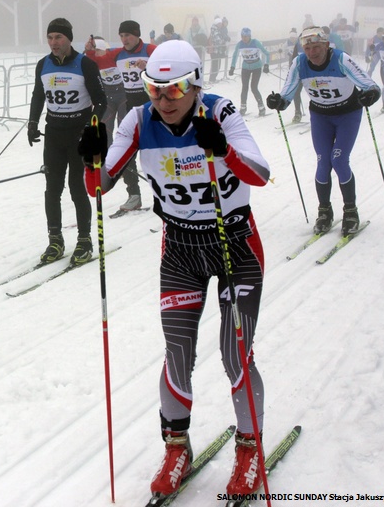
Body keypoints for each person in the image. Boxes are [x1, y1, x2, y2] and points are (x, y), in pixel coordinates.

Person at [77, 39, 271, 498]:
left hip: (234, 246)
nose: (162, 100)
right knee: (177, 352)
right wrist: (91, 157)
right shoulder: (139, 119)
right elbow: (99, 187)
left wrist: (222, 149)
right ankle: (176, 445)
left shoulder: (220, 114)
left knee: (234, 354)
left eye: (174, 89)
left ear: (196, 84)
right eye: (153, 88)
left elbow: (261, 173)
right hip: (181, 249)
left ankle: (249, 449)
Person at [267, 27, 381, 236]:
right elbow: (288, 91)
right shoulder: (300, 63)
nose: (312, 52)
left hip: (347, 114)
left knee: (338, 160)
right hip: (321, 117)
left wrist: (371, 94)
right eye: (308, 48)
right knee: (323, 162)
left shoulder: (340, 59)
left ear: (326, 45)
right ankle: (324, 211)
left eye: (316, 47)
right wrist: (279, 102)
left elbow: (368, 84)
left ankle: (350, 211)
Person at [27, 17, 108, 265]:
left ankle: (84, 240)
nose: (53, 42)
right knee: (52, 189)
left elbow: (101, 102)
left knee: (76, 188)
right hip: (54, 134)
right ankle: (55, 239)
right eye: (50, 37)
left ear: (68, 39)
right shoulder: (43, 64)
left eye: (58, 37)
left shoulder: (85, 64)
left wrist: (90, 125)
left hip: (78, 134)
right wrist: (32, 123)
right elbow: (38, 96)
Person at [102, 19, 156, 211]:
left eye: (128, 35)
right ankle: (134, 195)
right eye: (122, 35)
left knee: (155, 153)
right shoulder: (118, 53)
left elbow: (168, 72)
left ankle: (164, 194)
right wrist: (91, 51)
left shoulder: (151, 50)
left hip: (152, 107)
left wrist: (148, 69)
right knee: (127, 152)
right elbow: (99, 60)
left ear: (137, 35)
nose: (124, 39)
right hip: (131, 108)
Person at [228, 27, 271, 116]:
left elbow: (266, 53)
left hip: (256, 67)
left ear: (249, 36)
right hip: (246, 67)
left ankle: (261, 107)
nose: (244, 38)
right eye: (242, 36)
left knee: (254, 87)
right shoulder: (240, 44)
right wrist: (232, 67)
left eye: (246, 36)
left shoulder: (256, 42)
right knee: (244, 87)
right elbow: (235, 56)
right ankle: (243, 107)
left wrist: (266, 65)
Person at [207, 16, 227, 83]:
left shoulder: (217, 30)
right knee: (215, 66)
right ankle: (212, 79)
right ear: (217, 24)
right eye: (220, 24)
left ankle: (213, 78)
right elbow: (218, 40)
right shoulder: (214, 30)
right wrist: (224, 41)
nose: (221, 25)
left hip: (218, 51)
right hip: (215, 51)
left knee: (217, 66)